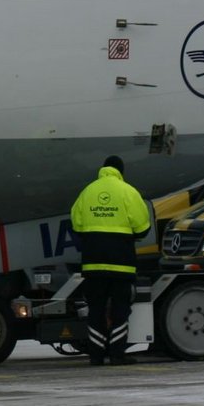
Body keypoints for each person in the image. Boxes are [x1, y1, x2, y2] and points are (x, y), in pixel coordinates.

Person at [70, 155, 152, 365]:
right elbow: (143, 227)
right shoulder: (128, 191)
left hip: (93, 264)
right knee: (120, 310)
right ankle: (117, 355)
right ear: (121, 171)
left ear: (103, 169)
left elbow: (76, 224)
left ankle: (96, 356)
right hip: (121, 265)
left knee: (95, 309)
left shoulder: (88, 191)